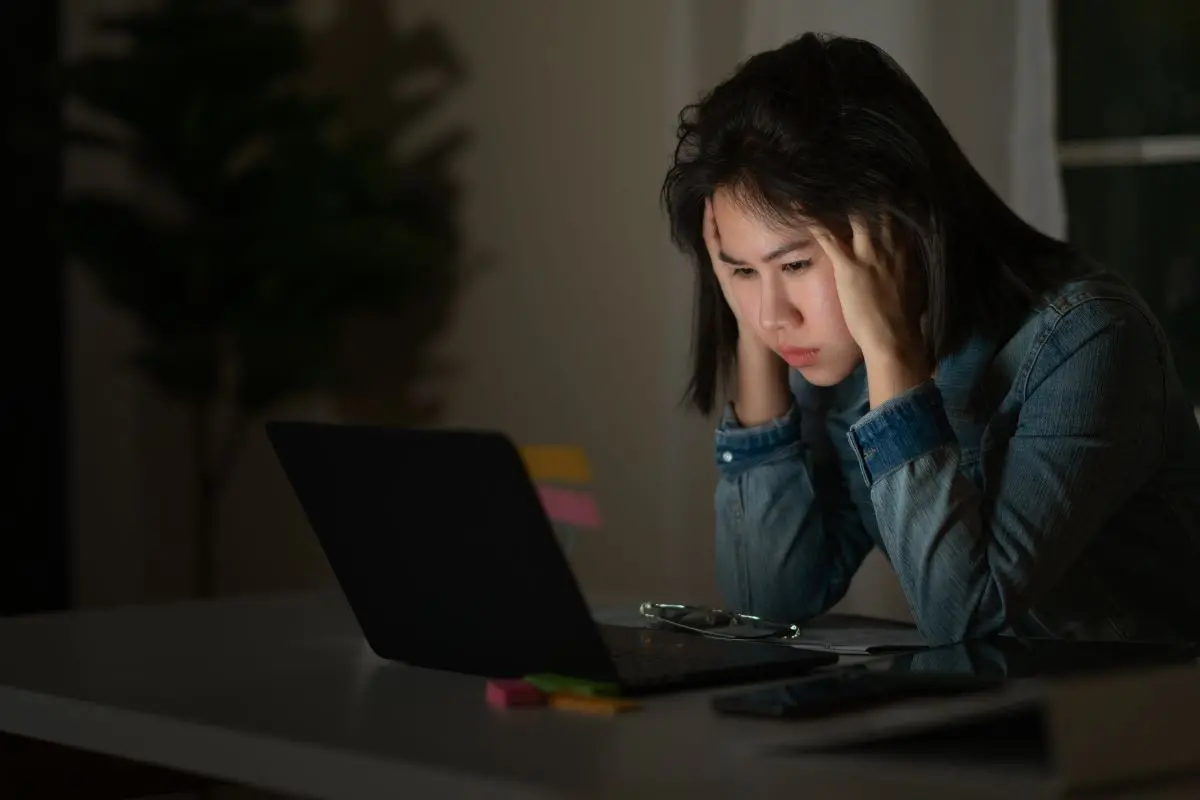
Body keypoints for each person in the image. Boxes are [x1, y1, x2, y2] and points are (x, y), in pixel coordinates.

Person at [660, 32, 1200, 646]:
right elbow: (768, 600)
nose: (774, 313)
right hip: (992, 723)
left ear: (896, 229)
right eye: (741, 271)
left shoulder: (1087, 339)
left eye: (796, 266)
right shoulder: (825, 354)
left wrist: (893, 357)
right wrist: (754, 341)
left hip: (1147, 722)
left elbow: (962, 618)